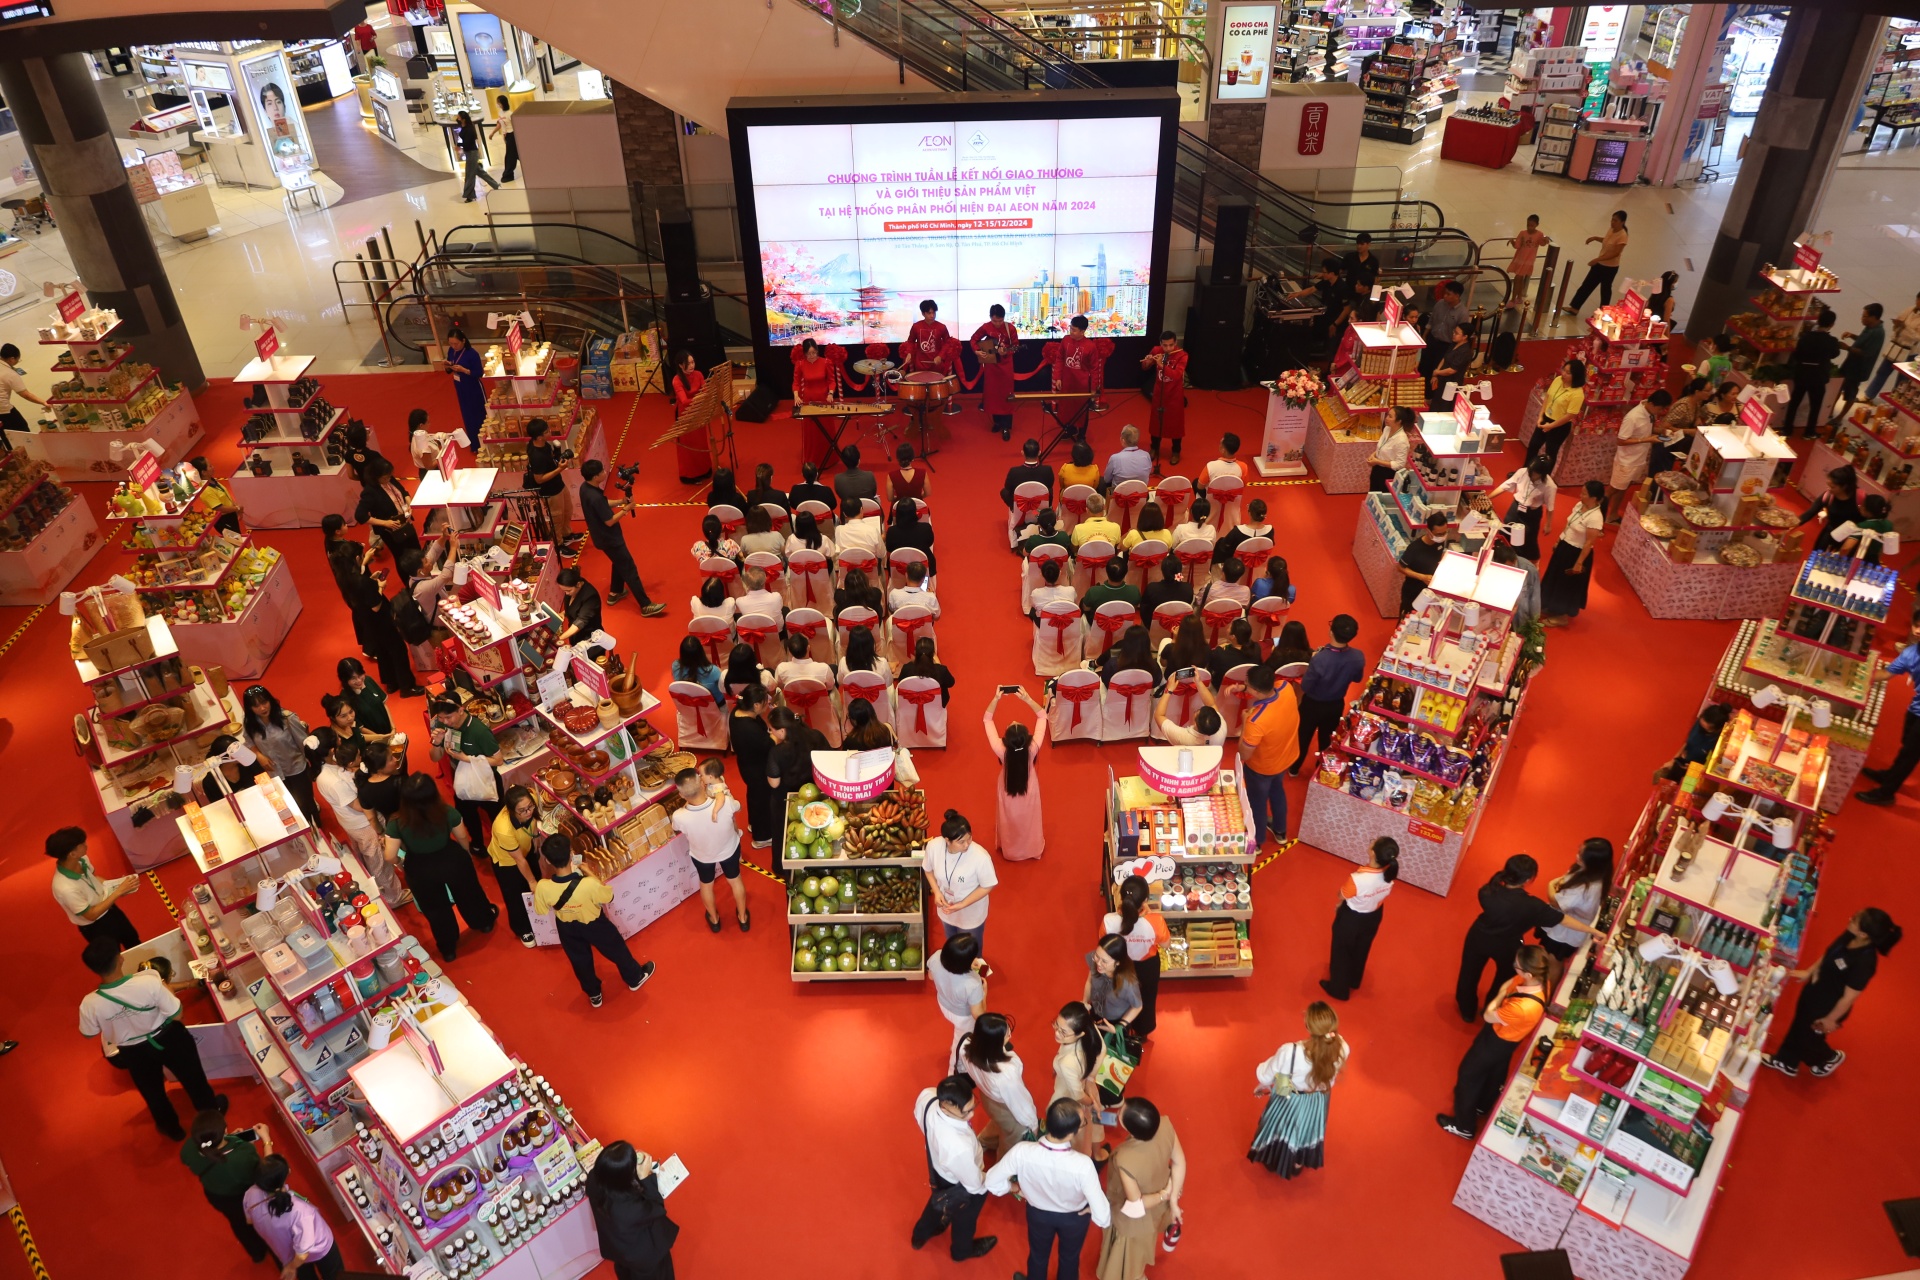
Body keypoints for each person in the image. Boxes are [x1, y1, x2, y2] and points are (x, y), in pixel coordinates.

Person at [78, 935, 225, 1137]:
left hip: (133, 1052)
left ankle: (171, 1128)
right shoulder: (148, 981)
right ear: (120, 958)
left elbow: (89, 1032)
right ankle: (210, 1115)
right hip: (169, 1038)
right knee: (193, 1078)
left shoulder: (89, 1003)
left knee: (152, 1092)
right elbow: (177, 1013)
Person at [1455, 854, 1600, 1021]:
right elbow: (1564, 920)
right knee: (1504, 979)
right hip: (1508, 946)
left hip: (1478, 938)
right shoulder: (1533, 906)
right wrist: (1592, 930)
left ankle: (1466, 1009)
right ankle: (1491, 1007)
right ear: (1529, 879)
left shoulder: (1487, 891)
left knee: (1469, 973)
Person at [1765, 908, 1902, 1078]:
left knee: (1808, 1037)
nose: (1850, 918)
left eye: (1854, 920)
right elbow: (1830, 953)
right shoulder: (1850, 936)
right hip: (1815, 992)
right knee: (1800, 1025)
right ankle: (1787, 1062)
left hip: (1827, 1007)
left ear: (1863, 934)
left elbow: (1849, 997)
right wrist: (1810, 971)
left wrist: (1831, 1019)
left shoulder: (1864, 963)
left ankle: (1826, 1058)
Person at [984, 1099, 1112, 1280]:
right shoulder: (1083, 1165)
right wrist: (1093, 1209)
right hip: (1074, 1218)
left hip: (1038, 1214)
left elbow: (991, 1181)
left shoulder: (1022, 1151)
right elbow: (1103, 1217)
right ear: (1072, 1133)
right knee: (1069, 1258)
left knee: (1038, 1256)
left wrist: (1014, 1188)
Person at [1438, 946, 1552, 1139]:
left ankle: (1463, 1125)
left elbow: (1489, 1015)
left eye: (1517, 965)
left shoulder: (1523, 1007)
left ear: (1528, 973)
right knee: (1495, 1072)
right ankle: (1482, 1105)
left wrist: (1499, 996)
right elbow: (1510, 983)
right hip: (1509, 1040)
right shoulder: (1542, 982)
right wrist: (1504, 993)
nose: (1514, 967)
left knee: (1468, 1074)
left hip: (1497, 1040)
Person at [384, 772, 498, 960]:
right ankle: (483, 922)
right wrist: (466, 854)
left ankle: (448, 948)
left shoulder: (397, 822)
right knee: (469, 894)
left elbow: (389, 855)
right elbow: (461, 836)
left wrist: (401, 864)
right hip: (451, 858)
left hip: (419, 867)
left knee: (435, 909)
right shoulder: (445, 811)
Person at [535, 834, 656, 1006]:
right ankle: (635, 978)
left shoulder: (542, 887)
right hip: (594, 923)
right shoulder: (588, 883)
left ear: (547, 860)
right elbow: (608, 896)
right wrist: (590, 873)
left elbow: (541, 910)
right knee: (616, 949)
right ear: (571, 854)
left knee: (579, 961)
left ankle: (593, 994)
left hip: (566, 927)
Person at [1249, 1001, 1349, 1177]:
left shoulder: (1291, 1051)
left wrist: (1262, 1085)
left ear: (1308, 1027)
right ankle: (1298, 1161)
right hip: (1318, 1099)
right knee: (1308, 1127)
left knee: (1280, 1124)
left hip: (1291, 1098)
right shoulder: (1342, 1047)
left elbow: (1266, 1074)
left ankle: (1275, 1159)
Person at [1096, 1098, 1185, 1280]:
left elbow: (1135, 1206)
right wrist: (1173, 1200)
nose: (1119, 1113)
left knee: (1129, 1259)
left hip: (1133, 1221)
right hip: (1156, 1208)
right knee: (1145, 1242)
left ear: (1130, 1130)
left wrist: (1164, 1195)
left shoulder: (1125, 1159)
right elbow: (1179, 1162)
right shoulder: (1165, 1125)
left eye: (1121, 1114)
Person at [912, 1074, 998, 1261]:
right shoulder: (959, 1147)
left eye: (972, 1105)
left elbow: (918, 1117)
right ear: (946, 1106)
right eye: (965, 1112)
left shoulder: (928, 1095)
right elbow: (974, 1185)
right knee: (965, 1218)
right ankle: (961, 1251)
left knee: (938, 1201)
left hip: (938, 1167)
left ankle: (920, 1234)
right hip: (959, 1179)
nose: (972, 1115)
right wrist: (993, 1184)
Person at [313, 733, 402, 903]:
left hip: (353, 823)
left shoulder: (330, 770)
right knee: (380, 863)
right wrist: (378, 792)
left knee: (369, 858)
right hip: (364, 825)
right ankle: (394, 897)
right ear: (332, 751)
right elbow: (361, 807)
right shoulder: (334, 780)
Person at [580, 459, 667, 616]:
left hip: (600, 536)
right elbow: (609, 521)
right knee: (629, 568)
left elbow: (604, 504)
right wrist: (626, 508)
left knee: (618, 562)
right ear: (594, 476)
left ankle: (615, 592)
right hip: (610, 538)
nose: (604, 473)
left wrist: (621, 501)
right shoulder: (595, 497)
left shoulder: (585, 488)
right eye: (601, 472)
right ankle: (645, 605)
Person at [181, 1110, 269, 1264]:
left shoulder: (189, 1147)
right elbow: (265, 1174)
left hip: (216, 1195)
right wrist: (267, 1140)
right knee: (263, 1220)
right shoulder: (242, 1155)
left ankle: (257, 1253)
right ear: (225, 1130)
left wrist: (230, 1139)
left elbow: (195, 1157)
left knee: (239, 1224)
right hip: (244, 1196)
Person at [670, 766, 750, 932]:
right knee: (735, 881)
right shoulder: (725, 803)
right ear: (702, 784)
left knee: (706, 885)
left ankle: (714, 920)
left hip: (702, 856)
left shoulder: (679, 816)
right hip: (729, 850)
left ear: (681, 795)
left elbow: (677, 828)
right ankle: (743, 917)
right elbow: (738, 806)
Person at [586, 1140, 679, 1279]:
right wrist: (646, 1178)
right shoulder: (631, 1210)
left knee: (625, 1271)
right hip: (643, 1257)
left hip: (618, 1246)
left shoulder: (593, 1179)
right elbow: (657, 1208)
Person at [1856, 607, 1920, 806]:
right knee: (1906, 744)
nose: (1917, 630)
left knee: (1911, 753)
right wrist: (1857, 678)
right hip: (1916, 707)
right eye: (1916, 625)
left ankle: (1886, 793)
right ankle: (1891, 775)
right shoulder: (1911, 652)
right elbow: (1886, 673)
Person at [1322, 837, 1398, 1000]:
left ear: (1372, 853)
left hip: (1351, 918)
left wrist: (1339, 905)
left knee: (1341, 952)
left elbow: (1341, 894)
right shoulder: (1389, 874)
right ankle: (1354, 980)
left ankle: (1338, 989)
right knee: (1361, 948)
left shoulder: (1358, 878)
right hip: (1373, 916)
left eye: (1373, 842)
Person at [244, 1155, 342, 1279]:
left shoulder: (250, 1194)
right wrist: (291, 1267)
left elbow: (250, 1220)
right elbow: (302, 1255)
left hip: (287, 1255)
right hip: (318, 1249)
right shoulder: (300, 1211)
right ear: (286, 1175)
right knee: (335, 1275)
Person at [958, 1012, 1039, 1158]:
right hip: (1007, 1108)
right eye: (1007, 1034)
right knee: (1011, 1141)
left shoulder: (967, 1045)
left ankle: (983, 1142)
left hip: (987, 1098)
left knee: (997, 1123)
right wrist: (1033, 1125)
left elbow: (963, 1069)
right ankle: (1002, 1169)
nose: (1010, 1035)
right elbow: (1020, 1104)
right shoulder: (1005, 1074)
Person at [47, 826, 140, 950]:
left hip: (111, 910)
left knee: (134, 941)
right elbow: (91, 915)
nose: (86, 845)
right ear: (72, 854)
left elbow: (94, 878)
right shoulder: (65, 888)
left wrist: (115, 885)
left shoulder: (82, 859)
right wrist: (118, 892)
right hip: (96, 927)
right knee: (114, 959)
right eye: (82, 844)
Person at [1238, 664, 1301, 847]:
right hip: (1286, 757)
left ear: (1256, 691)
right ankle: (1280, 831)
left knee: (1257, 803)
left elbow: (1244, 753)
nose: (1245, 686)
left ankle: (1256, 841)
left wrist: (1244, 723)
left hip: (1262, 768)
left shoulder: (1256, 721)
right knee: (1277, 791)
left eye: (1247, 685)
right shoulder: (1285, 688)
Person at [428, 694, 504, 846]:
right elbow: (435, 758)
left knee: (498, 818)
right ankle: (477, 844)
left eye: (448, 717)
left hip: (487, 780)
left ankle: (504, 846)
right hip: (462, 779)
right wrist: (436, 744)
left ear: (461, 710)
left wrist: (466, 758)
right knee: (467, 815)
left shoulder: (479, 731)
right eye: (441, 718)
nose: (445, 722)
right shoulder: (442, 725)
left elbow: (498, 760)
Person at [984, 687, 1048, 862]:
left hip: (1006, 787)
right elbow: (1043, 716)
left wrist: (996, 698)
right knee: (1030, 817)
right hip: (1030, 787)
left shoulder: (1001, 750)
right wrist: (1027, 698)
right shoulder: (1033, 748)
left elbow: (987, 719)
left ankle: (1011, 849)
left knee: (1009, 818)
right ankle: (1031, 848)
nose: (1013, 720)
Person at [1537, 837, 1613, 985]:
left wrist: (1550, 884)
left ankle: (1546, 994)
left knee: (1554, 962)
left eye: (1582, 855)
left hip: (1564, 932)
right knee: (1550, 958)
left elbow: (1555, 901)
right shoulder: (1596, 874)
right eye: (1580, 851)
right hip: (1565, 926)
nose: (1577, 856)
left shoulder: (1585, 888)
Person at [1293, 614, 1363, 773]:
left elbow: (1305, 685)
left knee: (1303, 737)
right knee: (1327, 739)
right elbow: (1358, 678)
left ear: (1331, 631)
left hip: (1312, 704)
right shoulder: (1358, 657)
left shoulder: (1320, 659)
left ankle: (1294, 768)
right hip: (1336, 704)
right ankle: (1322, 768)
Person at [1103, 875, 1168, 1038]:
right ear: (1145, 899)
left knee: (1119, 996)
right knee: (1146, 998)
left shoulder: (1108, 921)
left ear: (1121, 897)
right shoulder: (1156, 921)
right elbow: (1166, 944)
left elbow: (1104, 946)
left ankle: (1119, 1029)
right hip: (1147, 966)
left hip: (1119, 966)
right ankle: (1142, 1032)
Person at [240, 685, 317, 819]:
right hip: (274, 773)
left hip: (296, 769)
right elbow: (249, 742)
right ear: (250, 708)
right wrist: (259, 756)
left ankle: (317, 829)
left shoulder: (287, 718)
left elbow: (303, 743)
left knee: (306, 804)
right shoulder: (250, 723)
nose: (262, 708)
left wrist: (313, 766)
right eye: (256, 706)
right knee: (287, 804)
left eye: (264, 702)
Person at [926, 809, 996, 953]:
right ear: (947, 840)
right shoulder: (934, 847)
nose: (967, 845)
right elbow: (928, 869)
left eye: (969, 838)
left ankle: (977, 974)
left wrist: (963, 904)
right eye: (961, 842)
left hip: (971, 914)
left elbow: (987, 886)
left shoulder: (980, 857)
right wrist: (937, 892)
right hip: (946, 909)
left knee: (973, 951)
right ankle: (957, 973)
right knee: (953, 945)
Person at [1539, 480, 1608, 626]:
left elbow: (1589, 543)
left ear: (1594, 498)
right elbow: (1569, 524)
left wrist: (1579, 562)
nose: (1580, 495)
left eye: (1584, 493)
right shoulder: (1579, 506)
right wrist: (1559, 540)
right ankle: (1552, 606)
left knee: (1566, 586)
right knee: (1555, 579)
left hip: (1576, 554)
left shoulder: (1595, 518)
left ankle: (1562, 616)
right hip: (1565, 546)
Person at [484, 786, 543, 946]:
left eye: (530, 807)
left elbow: (534, 819)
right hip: (507, 862)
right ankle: (522, 928)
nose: (528, 812)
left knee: (538, 883)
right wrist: (531, 882)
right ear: (510, 810)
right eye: (522, 810)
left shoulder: (531, 800)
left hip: (526, 850)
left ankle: (541, 918)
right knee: (516, 896)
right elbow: (519, 860)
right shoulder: (503, 828)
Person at [1050, 1001, 1105, 1159]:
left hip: (1070, 1097)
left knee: (1077, 1137)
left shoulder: (1068, 1063)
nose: (1057, 1033)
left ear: (1080, 1033)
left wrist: (1091, 1103)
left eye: (1063, 1032)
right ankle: (1098, 1153)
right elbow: (1103, 1050)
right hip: (1085, 1083)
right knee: (1093, 1127)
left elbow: (1077, 1095)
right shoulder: (1087, 1035)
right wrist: (1090, 1078)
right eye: (1056, 1025)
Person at [1608, 389, 1669, 521]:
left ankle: (1612, 515)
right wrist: (1647, 439)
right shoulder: (1633, 417)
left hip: (1638, 459)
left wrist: (1662, 432)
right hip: (1626, 461)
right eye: (1660, 409)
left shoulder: (1649, 413)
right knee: (1613, 489)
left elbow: (1648, 429)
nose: (1660, 413)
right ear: (1652, 404)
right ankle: (1597, 512)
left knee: (1623, 488)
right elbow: (1621, 440)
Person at [931, 932, 989, 1063]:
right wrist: (984, 992)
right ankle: (954, 1066)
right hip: (962, 1017)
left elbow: (931, 976)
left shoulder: (936, 957)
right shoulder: (973, 983)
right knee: (961, 1041)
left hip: (943, 1002)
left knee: (959, 1036)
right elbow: (978, 1015)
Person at [1784, 309, 1842, 437]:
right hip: (1818, 377)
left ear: (1818, 321)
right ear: (1832, 324)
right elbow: (1835, 354)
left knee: (1794, 402)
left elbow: (1797, 354)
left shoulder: (1805, 337)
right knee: (1815, 405)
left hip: (1802, 373)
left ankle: (1787, 428)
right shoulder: (1831, 341)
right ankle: (1809, 431)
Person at [1525, 356, 1588, 470]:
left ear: (1576, 376)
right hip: (1546, 418)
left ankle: (1544, 479)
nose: (1563, 374)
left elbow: (1570, 415)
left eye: (1568, 373)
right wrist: (1540, 416)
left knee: (1550, 453)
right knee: (1533, 446)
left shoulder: (1577, 394)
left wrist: (1551, 426)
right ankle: (1524, 471)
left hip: (1560, 426)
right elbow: (1548, 398)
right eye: (1564, 370)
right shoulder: (1558, 379)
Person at [1494, 455, 1558, 561]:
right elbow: (1504, 486)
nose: (1531, 474)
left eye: (1535, 473)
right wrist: (1487, 497)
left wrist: (1548, 524)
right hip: (1515, 507)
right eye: (1531, 470)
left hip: (1531, 514)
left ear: (1543, 473)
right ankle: (1502, 557)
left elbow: (1550, 507)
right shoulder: (1523, 472)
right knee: (1505, 531)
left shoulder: (1550, 486)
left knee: (1526, 540)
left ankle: (1525, 562)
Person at [355, 455, 419, 560]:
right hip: (391, 531)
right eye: (385, 477)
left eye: (389, 476)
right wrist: (385, 523)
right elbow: (360, 515)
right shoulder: (369, 492)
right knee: (402, 557)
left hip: (406, 522)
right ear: (375, 477)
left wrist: (410, 505)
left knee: (416, 550)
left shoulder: (390, 479)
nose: (388, 479)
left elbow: (404, 492)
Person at [1085, 933, 1144, 1047]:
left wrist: (1120, 1026)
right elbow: (1089, 981)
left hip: (1114, 1022)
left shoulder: (1128, 983)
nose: (1098, 963)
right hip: (1095, 1012)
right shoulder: (1097, 962)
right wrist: (1084, 1002)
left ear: (1118, 962)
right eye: (1096, 956)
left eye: (1104, 961)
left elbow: (1137, 1006)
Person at [1565, 209, 1628, 313]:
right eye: (1612, 220)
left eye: (1615, 221)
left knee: (1605, 291)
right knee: (1586, 286)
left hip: (1610, 268)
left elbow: (1615, 253)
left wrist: (1597, 259)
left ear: (1622, 222)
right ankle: (1574, 308)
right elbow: (1607, 240)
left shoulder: (1623, 236)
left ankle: (1604, 313)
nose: (1612, 222)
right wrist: (1594, 238)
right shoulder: (1611, 230)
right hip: (1600, 264)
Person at [974, 303, 1021, 439]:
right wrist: (977, 351)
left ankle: (1006, 426)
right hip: (991, 365)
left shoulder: (1010, 328)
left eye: (1000, 320)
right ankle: (997, 422)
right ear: (990, 317)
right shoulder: (986, 327)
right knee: (993, 394)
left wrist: (1006, 351)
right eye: (995, 320)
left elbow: (1016, 346)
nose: (998, 323)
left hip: (1006, 366)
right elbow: (974, 339)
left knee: (1006, 395)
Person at [525, 417, 575, 545]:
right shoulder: (537, 456)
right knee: (556, 518)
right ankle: (558, 544)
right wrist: (560, 469)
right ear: (539, 437)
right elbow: (539, 479)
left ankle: (566, 534)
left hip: (559, 484)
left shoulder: (543, 445)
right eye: (547, 431)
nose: (550, 432)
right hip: (550, 491)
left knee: (567, 510)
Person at [1142, 331, 1188, 468]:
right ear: (1161, 343)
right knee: (1156, 422)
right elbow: (1144, 367)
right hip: (1159, 393)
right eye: (1165, 345)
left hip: (1175, 395)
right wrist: (1148, 361)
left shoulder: (1182, 355)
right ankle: (1154, 448)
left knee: (1175, 424)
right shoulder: (1157, 350)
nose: (1168, 348)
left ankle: (1176, 451)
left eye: (1171, 345)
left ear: (1176, 343)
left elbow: (1176, 375)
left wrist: (1162, 365)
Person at [1866, 290, 1920, 401]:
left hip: (1910, 352)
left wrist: (1906, 327)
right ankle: (1869, 395)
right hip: (1896, 346)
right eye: (1917, 300)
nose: (1917, 303)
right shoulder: (1909, 309)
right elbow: (1899, 320)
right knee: (1882, 371)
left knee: (1903, 380)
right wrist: (1897, 325)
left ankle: (1897, 401)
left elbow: (1917, 337)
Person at [1652, 378, 1712, 475]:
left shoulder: (1697, 402)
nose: (1710, 393)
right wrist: (1688, 431)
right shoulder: (1683, 406)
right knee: (1660, 473)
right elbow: (1665, 426)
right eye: (1707, 391)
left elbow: (1695, 417)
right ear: (1697, 392)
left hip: (1676, 442)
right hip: (1666, 442)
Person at [1797, 465, 1862, 554]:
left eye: (1833, 487)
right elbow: (1809, 513)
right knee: (1816, 557)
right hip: (1830, 533)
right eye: (1828, 485)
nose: (1829, 489)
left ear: (1844, 486)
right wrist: (1790, 525)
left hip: (1849, 539)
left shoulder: (1859, 498)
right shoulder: (1827, 496)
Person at [1837, 303, 1887, 417]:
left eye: (1865, 316)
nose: (1862, 318)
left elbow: (1867, 353)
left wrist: (1848, 348)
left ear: (1874, 317)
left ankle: (1840, 417)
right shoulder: (1870, 327)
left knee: (1850, 393)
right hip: (1850, 364)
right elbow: (1863, 341)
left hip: (1858, 369)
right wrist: (1852, 335)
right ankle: (1828, 412)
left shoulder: (1878, 333)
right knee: (1838, 387)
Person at [1397, 512, 1450, 615]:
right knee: (1408, 619)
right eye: (1439, 534)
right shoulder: (1415, 548)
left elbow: (1438, 556)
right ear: (1428, 531)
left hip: (1430, 591)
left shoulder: (1439, 542)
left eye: (1444, 533)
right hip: (1413, 591)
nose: (1442, 536)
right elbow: (1400, 567)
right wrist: (1422, 577)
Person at [1421, 281, 1468, 382]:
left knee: (1437, 369)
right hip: (1432, 339)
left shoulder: (1462, 313)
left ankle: (1430, 395)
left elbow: (1460, 333)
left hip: (1446, 345)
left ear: (1457, 296)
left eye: (1448, 294)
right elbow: (1431, 320)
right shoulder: (1439, 304)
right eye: (1445, 293)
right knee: (1425, 366)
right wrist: (1424, 336)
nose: (1445, 296)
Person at [0, 342, 48, 439]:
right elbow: (25, 394)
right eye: (18, 359)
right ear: (12, 359)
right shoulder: (10, 374)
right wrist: (44, 402)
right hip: (3, 409)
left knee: (4, 432)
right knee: (21, 429)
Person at [1153, 683, 1223, 747]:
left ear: (1195, 722)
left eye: (1198, 711)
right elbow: (1211, 704)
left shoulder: (1182, 737)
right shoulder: (1222, 729)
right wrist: (1198, 682)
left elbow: (1159, 715)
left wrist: (1169, 690)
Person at [885, 497, 937, 575]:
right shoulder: (926, 528)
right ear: (914, 512)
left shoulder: (892, 531)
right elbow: (929, 543)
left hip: (898, 567)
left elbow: (889, 548)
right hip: (924, 568)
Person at [1001, 437, 1055, 513]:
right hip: (1040, 504)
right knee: (1049, 489)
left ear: (1022, 453)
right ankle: (1046, 509)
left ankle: (1015, 509)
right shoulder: (1047, 470)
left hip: (1020, 505)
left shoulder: (1014, 472)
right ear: (1039, 453)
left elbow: (1007, 489)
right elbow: (1049, 486)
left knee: (1004, 491)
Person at [455, 109, 498, 202]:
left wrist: (459, 146)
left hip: (472, 153)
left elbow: (468, 143)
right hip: (469, 153)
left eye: (458, 117)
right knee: (480, 172)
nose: (457, 118)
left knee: (469, 175)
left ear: (463, 119)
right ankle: (496, 186)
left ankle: (469, 195)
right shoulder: (465, 126)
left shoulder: (469, 129)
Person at [1368, 406, 1413, 493]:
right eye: (1388, 415)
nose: (1386, 418)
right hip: (1377, 468)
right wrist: (1373, 455)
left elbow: (1399, 464)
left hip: (1388, 473)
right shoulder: (1387, 429)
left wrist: (1377, 461)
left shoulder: (1402, 441)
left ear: (1399, 421)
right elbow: (1382, 447)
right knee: (1372, 492)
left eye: (1390, 416)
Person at [1842, 493, 1898, 563]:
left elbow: (1846, 548)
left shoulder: (1863, 526)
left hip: (1857, 560)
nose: (1860, 507)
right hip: (1873, 561)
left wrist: (1839, 559)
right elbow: (1883, 548)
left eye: (1862, 505)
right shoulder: (1889, 524)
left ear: (1867, 510)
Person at [901, 635, 957, 704]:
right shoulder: (942, 670)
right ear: (933, 654)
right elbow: (951, 683)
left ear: (915, 652)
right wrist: (938, 664)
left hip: (911, 703)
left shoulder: (906, 668)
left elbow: (901, 683)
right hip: (937, 704)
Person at [1506, 215, 1550, 302]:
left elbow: (1542, 243)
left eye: (1532, 225)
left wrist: (1545, 240)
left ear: (1537, 225)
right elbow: (1517, 246)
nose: (1529, 227)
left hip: (1528, 261)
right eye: (1528, 225)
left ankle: (1513, 299)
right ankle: (1518, 297)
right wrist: (1512, 242)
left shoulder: (1539, 234)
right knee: (1520, 278)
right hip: (1520, 259)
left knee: (1518, 278)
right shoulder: (1522, 233)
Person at [1207, 617, 1261, 685]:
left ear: (1233, 636)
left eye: (1229, 627)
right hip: (1248, 683)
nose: (1227, 629)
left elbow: (1212, 667)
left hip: (1224, 685)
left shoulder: (1220, 653)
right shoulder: (1256, 647)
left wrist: (1218, 648)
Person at [1679, 702, 1733, 767]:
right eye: (1701, 725)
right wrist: (1673, 760)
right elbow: (1687, 742)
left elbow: (1715, 766)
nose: (1702, 729)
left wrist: (1695, 768)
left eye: (1707, 729)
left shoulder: (1721, 742)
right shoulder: (1700, 724)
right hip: (1684, 762)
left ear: (1718, 729)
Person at [835, 494, 887, 563]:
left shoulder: (839, 530)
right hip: (870, 571)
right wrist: (882, 539)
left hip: (849, 571)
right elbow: (881, 554)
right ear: (861, 509)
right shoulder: (872, 530)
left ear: (844, 514)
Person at [1104, 424, 1153, 489]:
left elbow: (1106, 479)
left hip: (1119, 496)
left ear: (1123, 440)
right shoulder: (1146, 455)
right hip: (1141, 494)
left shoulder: (1115, 458)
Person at [887, 442, 931, 509]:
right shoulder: (922, 473)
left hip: (899, 510)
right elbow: (927, 493)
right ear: (912, 458)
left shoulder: (891, 475)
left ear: (898, 459)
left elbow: (890, 498)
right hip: (918, 508)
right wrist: (917, 497)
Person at [833, 444, 879, 508]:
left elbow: (841, 496)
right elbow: (873, 493)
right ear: (859, 460)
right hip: (868, 510)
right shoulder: (869, 475)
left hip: (848, 513)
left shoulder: (838, 479)